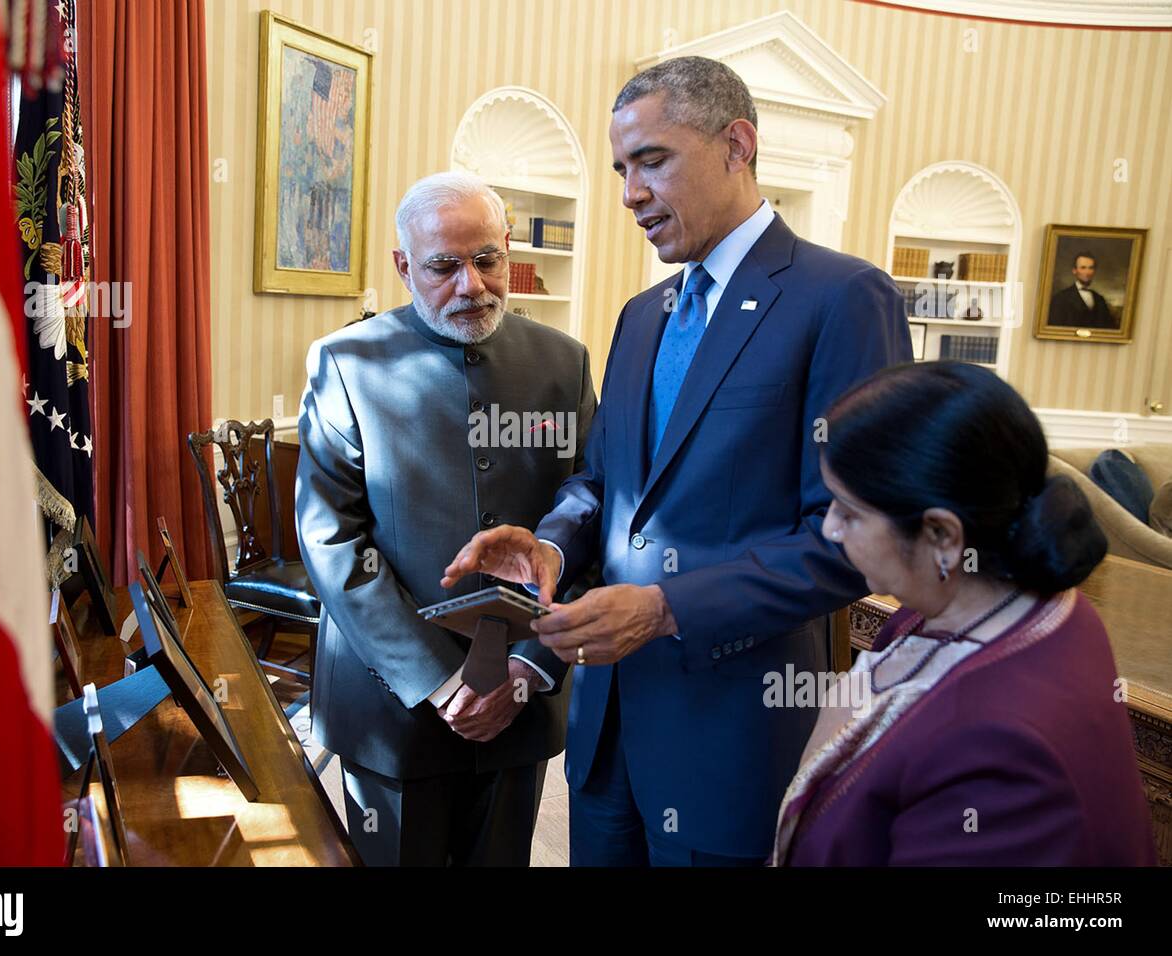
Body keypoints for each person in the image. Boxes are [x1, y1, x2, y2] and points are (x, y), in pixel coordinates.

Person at [442, 57, 912, 866]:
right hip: (604, 737)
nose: (629, 193)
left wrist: (665, 607)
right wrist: (549, 545)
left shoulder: (843, 300)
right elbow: (602, 482)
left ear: (737, 145)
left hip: (729, 744)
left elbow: (853, 544)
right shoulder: (641, 316)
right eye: (622, 169)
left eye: (651, 161)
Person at [295, 172, 596, 866]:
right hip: (389, 701)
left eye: (487, 259)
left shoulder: (563, 363)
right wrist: (437, 680)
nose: (472, 285)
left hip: (522, 702)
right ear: (404, 266)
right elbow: (329, 536)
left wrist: (527, 669)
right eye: (444, 266)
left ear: (509, 248)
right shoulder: (347, 364)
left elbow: (587, 513)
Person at [773, 361, 1156, 865]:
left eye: (850, 512)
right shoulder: (1010, 605)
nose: (831, 530)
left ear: (943, 537)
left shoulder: (994, 751)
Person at [1047, 251, 1114, 329]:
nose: (1087, 272)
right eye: (1083, 268)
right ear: (1074, 271)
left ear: (1094, 271)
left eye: (1090, 268)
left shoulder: (1100, 299)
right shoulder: (1060, 298)